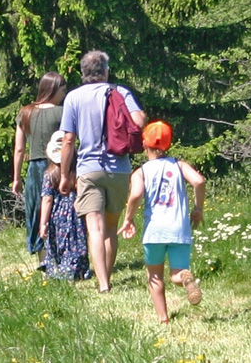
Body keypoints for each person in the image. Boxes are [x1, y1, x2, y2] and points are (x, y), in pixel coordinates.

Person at [59, 50, 146, 292]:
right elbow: (139, 122)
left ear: (83, 72)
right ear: (106, 71)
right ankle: (106, 274)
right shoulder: (120, 92)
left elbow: (68, 140)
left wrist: (65, 175)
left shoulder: (73, 98)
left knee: (94, 228)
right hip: (119, 168)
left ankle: (103, 284)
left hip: (88, 169)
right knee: (110, 228)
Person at [117, 121, 205, 324]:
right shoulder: (179, 165)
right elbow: (199, 182)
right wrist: (198, 209)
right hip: (179, 229)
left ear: (144, 144)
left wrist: (128, 218)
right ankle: (185, 277)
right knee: (177, 274)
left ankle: (163, 319)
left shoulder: (141, 171)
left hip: (154, 231)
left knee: (155, 275)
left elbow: (137, 194)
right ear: (168, 144)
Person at [12, 72, 67, 260]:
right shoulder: (62, 112)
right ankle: (59, 257)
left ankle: (42, 259)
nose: (64, 93)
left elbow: (19, 149)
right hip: (57, 166)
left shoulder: (25, 112)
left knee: (36, 210)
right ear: (53, 89)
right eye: (62, 89)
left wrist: (16, 178)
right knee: (58, 210)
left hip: (34, 168)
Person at [38, 131, 92, 280]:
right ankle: (79, 270)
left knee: (58, 242)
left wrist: (43, 222)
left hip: (57, 215)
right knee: (77, 241)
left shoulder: (50, 174)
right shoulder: (77, 171)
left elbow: (47, 199)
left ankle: (59, 269)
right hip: (76, 212)